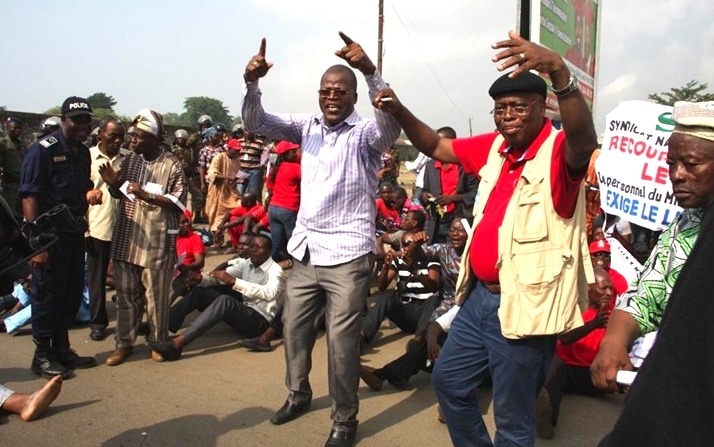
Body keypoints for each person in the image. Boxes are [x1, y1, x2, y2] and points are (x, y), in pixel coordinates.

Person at [375, 29, 598, 446]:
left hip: (525, 306)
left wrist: (559, 73)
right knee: (449, 382)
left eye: (518, 106)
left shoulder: (559, 152)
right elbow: (437, 146)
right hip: (478, 299)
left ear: (542, 107)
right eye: (499, 108)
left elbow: (585, 142)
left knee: (513, 420)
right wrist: (400, 110)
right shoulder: (495, 148)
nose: (507, 115)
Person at [242, 32, 401, 447]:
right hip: (307, 251)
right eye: (326, 91)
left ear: (352, 97)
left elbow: (391, 124)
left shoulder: (365, 135)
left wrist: (369, 72)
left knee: (341, 343)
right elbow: (256, 123)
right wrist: (252, 83)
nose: (332, 97)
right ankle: (298, 393)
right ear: (319, 94)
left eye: (341, 91)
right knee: (293, 329)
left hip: (348, 256)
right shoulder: (305, 128)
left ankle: (344, 421)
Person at [590, 100, 714, 394]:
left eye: (692, 164)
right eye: (672, 163)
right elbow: (647, 294)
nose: (676, 175)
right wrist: (613, 342)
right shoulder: (688, 223)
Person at [19, 96, 101, 379]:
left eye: (87, 121)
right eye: (77, 121)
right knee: (48, 295)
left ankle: (61, 348)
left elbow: (81, 189)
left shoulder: (83, 152)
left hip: (74, 233)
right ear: (64, 120)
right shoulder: (42, 151)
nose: (83, 126)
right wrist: (37, 245)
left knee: (70, 293)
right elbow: (29, 196)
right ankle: (41, 355)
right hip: (50, 237)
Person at [98, 108, 187, 366]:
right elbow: (122, 194)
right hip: (128, 238)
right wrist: (115, 183)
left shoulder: (171, 165)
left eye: (138, 136)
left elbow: (179, 202)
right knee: (126, 296)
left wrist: (147, 194)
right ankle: (123, 344)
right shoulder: (130, 161)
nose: (132, 140)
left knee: (156, 298)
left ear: (154, 139)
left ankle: (158, 342)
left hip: (156, 241)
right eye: (132, 135)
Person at [149, 233, 285, 360]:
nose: (253, 250)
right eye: (252, 246)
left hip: (260, 323)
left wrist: (234, 282)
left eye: (258, 247)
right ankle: (162, 324)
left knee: (225, 301)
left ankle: (178, 344)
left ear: (268, 252)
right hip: (246, 312)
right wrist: (201, 278)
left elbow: (269, 293)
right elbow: (221, 277)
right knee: (201, 291)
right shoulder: (247, 263)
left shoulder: (275, 271)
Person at [536, 267, 613, 439]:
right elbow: (564, 338)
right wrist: (593, 324)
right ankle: (546, 420)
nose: (608, 293)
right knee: (555, 367)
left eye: (611, 289)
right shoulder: (570, 310)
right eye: (603, 288)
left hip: (591, 374)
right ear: (588, 287)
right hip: (566, 370)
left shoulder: (612, 315)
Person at [85, 117, 126, 341]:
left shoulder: (128, 159)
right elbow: (80, 191)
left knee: (125, 280)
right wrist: (85, 230)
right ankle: (98, 322)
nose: (118, 141)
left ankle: (125, 322)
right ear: (101, 134)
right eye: (113, 136)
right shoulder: (87, 157)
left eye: (121, 136)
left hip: (124, 229)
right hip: (97, 227)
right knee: (97, 278)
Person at [420, 126, 479, 244]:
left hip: (458, 221)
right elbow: (424, 191)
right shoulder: (431, 166)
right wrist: (424, 196)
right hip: (436, 222)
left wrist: (454, 198)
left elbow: (476, 193)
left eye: (440, 142)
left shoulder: (465, 165)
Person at [265, 141, 301, 262]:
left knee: (276, 241)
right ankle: (298, 266)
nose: (296, 154)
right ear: (285, 154)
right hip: (288, 209)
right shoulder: (295, 168)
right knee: (294, 240)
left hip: (273, 208)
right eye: (293, 152)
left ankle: (268, 265)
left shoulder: (275, 168)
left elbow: (269, 187)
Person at [205, 138, 242, 242]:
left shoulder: (237, 160)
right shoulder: (218, 158)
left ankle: (234, 235)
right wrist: (228, 177)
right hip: (218, 191)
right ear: (229, 149)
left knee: (237, 208)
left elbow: (236, 174)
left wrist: (236, 180)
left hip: (230, 191)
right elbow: (213, 174)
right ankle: (217, 238)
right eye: (236, 150)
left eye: (239, 150)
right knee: (216, 214)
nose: (237, 152)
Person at [171, 210, 206, 302]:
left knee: (182, 277)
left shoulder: (195, 238)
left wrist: (186, 267)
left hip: (186, 273)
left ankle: (162, 309)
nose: (187, 224)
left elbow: (200, 262)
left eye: (187, 221)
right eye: (183, 222)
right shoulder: (168, 238)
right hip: (169, 272)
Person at [1, 116, 27, 212]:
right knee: (10, 211)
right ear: (7, 127)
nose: (17, 130)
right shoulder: (3, 144)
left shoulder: (22, 145)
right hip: (10, 184)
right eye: (14, 127)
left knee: (21, 211)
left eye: (19, 128)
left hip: (22, 183)